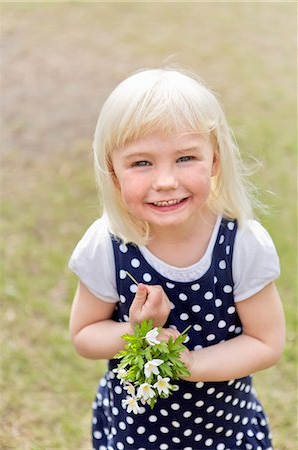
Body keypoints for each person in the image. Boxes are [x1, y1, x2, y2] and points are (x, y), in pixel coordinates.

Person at [69, 67, 285, 450]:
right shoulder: (108, 244)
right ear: (113, 172)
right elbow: (84, 336)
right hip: (134, 433)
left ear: (215, 160)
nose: (166, 180)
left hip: (224, 433)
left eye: (186, 158)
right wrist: (138, 331)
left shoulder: (241, 244)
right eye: (141, 163)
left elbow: (265, 341)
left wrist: (189, 363)